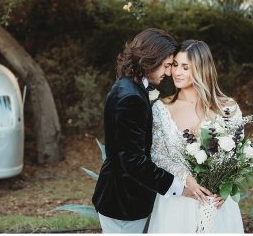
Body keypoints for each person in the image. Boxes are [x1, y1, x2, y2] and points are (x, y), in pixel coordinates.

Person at [91, 28, 219, 233]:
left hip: (124, 199)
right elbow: (133, 161)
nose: (169, 73)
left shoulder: (128, 87)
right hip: (123, 202)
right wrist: (181, 189)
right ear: (151, 59)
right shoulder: (130, 97)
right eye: (168, 65)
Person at [146, 40, 244, 233]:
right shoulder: (161, 108)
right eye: (175, 65)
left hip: (217, 203)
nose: (177, 72)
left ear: (201, 69)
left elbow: (238, 155)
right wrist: (187, 180)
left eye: (185, 67)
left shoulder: (228, 108)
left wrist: (226, 188)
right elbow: (157, 155)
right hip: (177, 203)